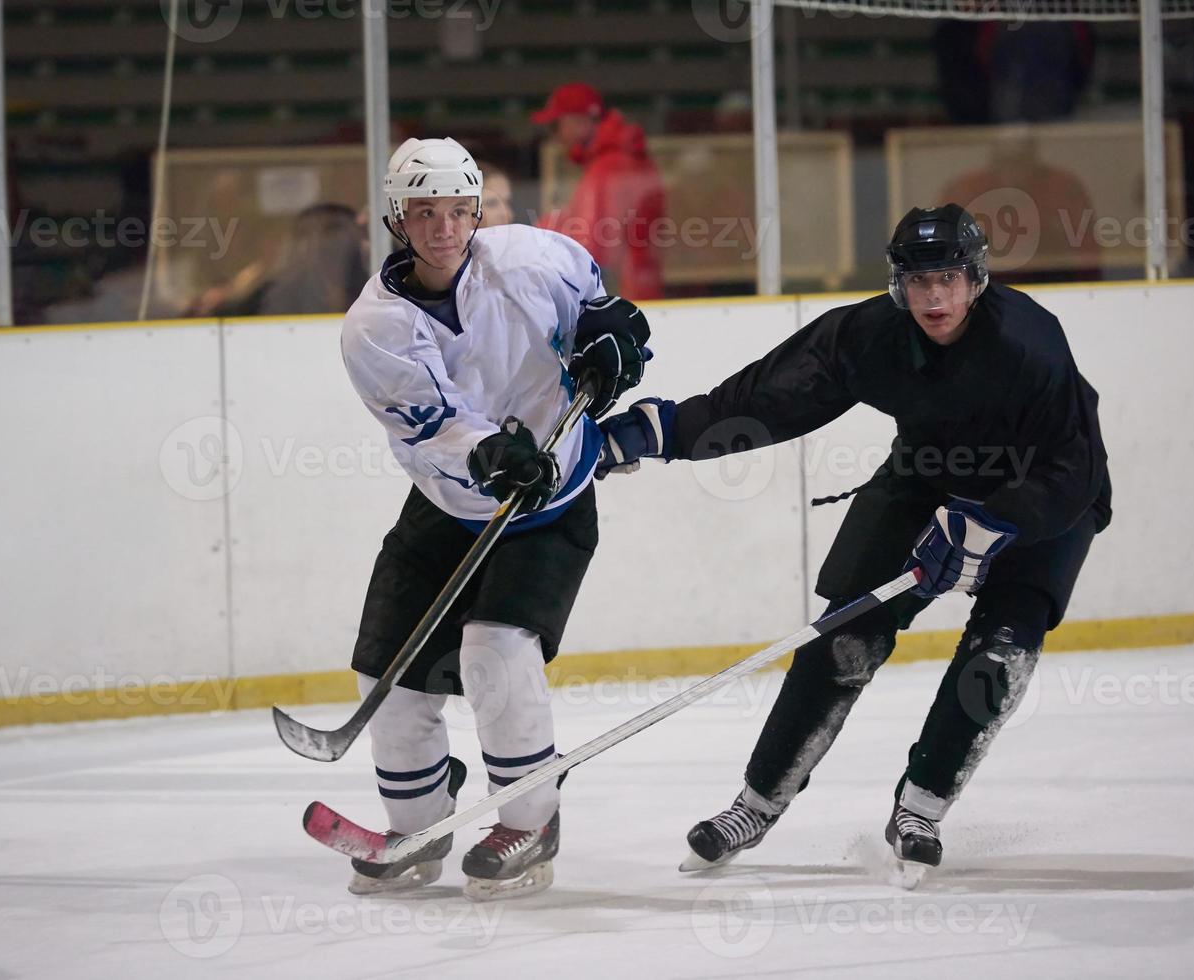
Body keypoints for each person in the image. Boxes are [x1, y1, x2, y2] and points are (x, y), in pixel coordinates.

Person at [595, 204, 1111, 875]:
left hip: (1043, 497)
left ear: (975, 278)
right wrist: (664, 433)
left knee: (999, 652)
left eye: (948, 278)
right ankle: (757, 803)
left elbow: (1075, 465)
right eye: (918, 281)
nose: (934, 296)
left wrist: (991, 524)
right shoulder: (870, 334)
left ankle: (920, 806)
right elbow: (770, 398)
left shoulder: (1029, 343)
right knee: (843, 633)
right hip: (925, 475)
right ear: (898, 283)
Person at [339, 137, 651, 900]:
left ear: (477, 209)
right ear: (395, 218)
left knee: (495, 654)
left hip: (552, 504)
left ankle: (529, 820)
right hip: (447, 504)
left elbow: (598, 303)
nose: (443, 228)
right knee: (389, 678)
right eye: (423, 212)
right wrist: (488, 453)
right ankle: (417, 824)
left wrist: (614, 335)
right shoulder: (374, 328)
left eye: (457, 210)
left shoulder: (532, 258)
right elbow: (432, 429)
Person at [533, 82, 665, 301]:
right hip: (636, 289)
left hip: (625, 297)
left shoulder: (609, 166)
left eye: (556, 126)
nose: (555, 136)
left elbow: (594, 247)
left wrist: (544, 233)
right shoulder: (619, 158)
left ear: (580, 122)